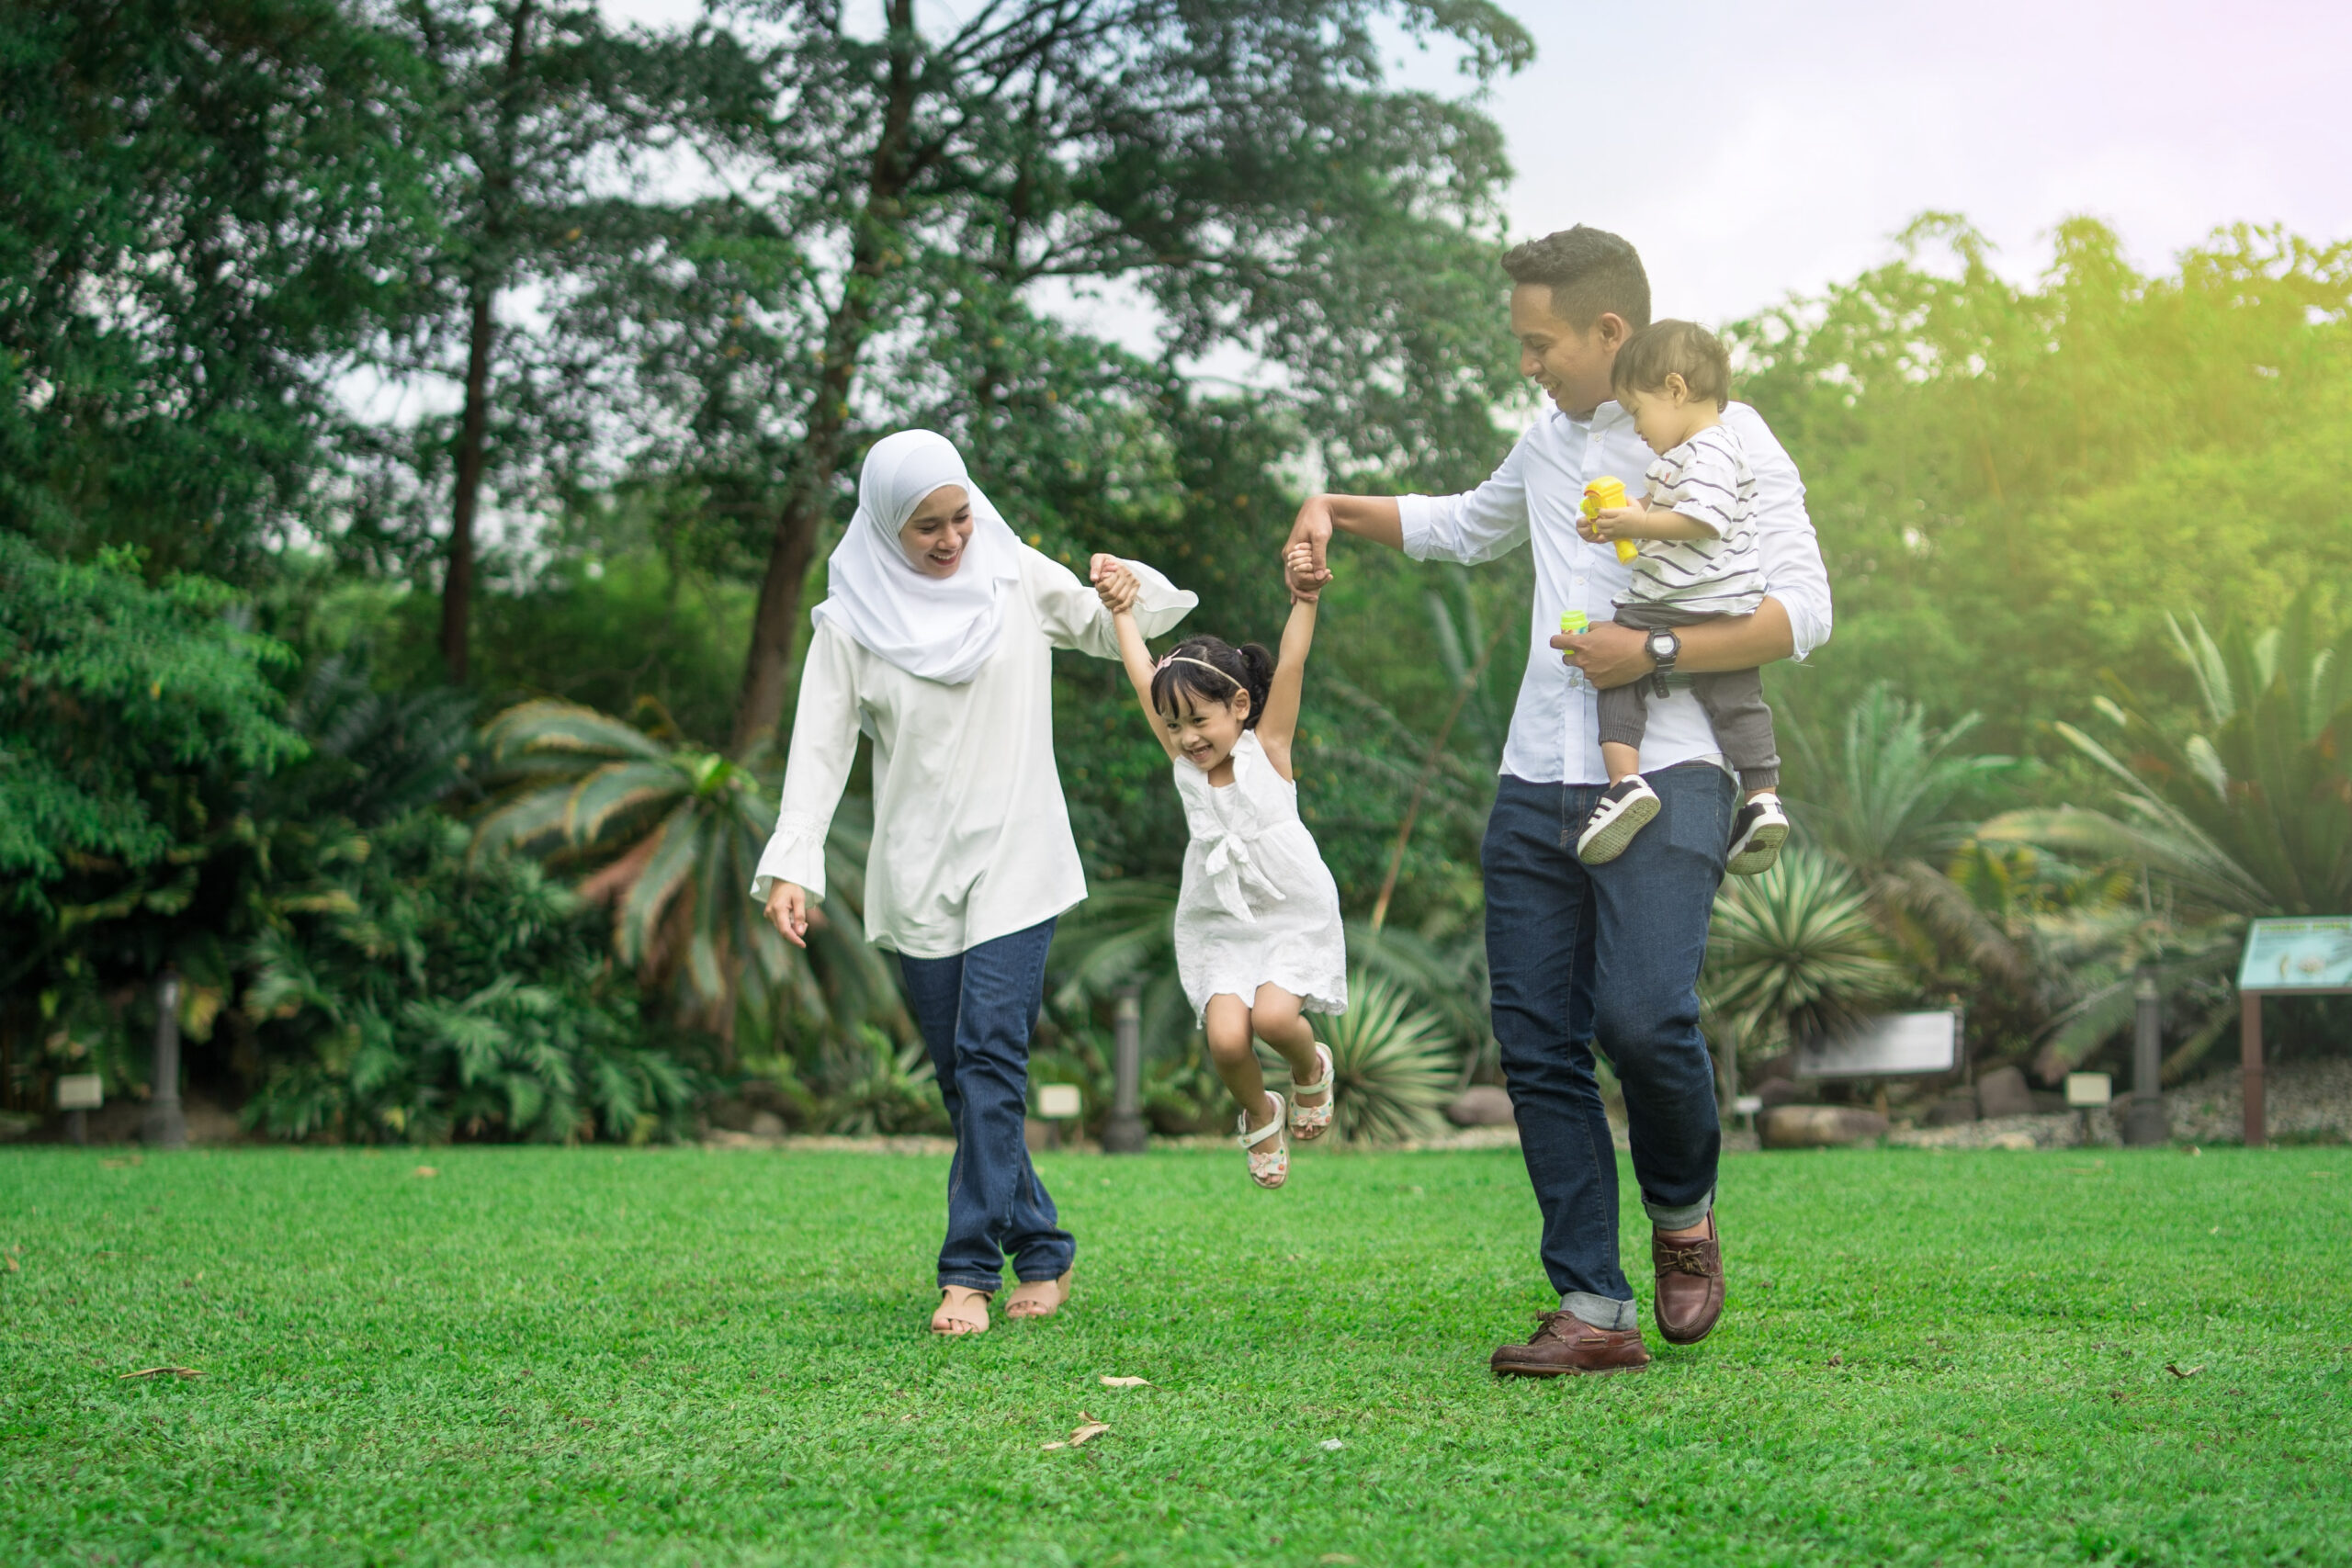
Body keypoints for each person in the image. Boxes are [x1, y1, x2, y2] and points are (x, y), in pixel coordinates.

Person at [1285, 226, 1832, 1376]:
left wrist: (1657, 651)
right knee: (1537, 1044)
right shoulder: (1544, 447)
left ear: (1610, 333)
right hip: (1535, 777)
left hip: (1673, 764)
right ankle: (1592, 1306)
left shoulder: (1728, 440)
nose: (1528, 364)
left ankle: (1682, 1218)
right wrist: (1330, 504)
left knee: (1642, 1017)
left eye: (1541, 344)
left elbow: (1801, 614)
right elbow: (1460, 524)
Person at [752, 428, 1196, 1337]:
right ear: (884, 527)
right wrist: (792, 861)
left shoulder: (1012, 574)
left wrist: (1126, 586)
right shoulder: (848, 626)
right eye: (927, 528)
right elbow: (819, 747)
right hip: (915, 877)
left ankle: (966, 1275)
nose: (952, 537)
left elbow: (1115, 626)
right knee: (964, 1081)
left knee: (992, 1059)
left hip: (1016, 860)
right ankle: (1042, 1245)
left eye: (960, 515)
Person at [1091, 546, 1346, 1189]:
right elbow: (1139, 671)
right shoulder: (1185, 765)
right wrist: (1122, 608)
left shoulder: (1272, 748)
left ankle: (1310, 1068)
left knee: (1273, 1019)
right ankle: (1260, 1111)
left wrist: (1306, 599)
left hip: (1288, 909)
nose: (1185, 737)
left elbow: (1291, 662)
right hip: (1219, 916)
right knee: (1228, 1040)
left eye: (1197, 720)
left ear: (1237, 704)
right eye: (1173, 726)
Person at [1573, 319, 1789, 874]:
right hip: (1726, 603)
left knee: (1615, 664)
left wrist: (1638, 524)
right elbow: (1658, 508)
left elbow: (1702, 518)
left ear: (1675, 389)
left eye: (1637, 411)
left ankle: (1624, 783)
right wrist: (1617, 523)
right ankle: (1763, 799)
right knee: (1737, 695)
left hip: (1678, 597)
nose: (1637, 429)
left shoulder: (1710, 448)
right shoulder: (1688, 454)